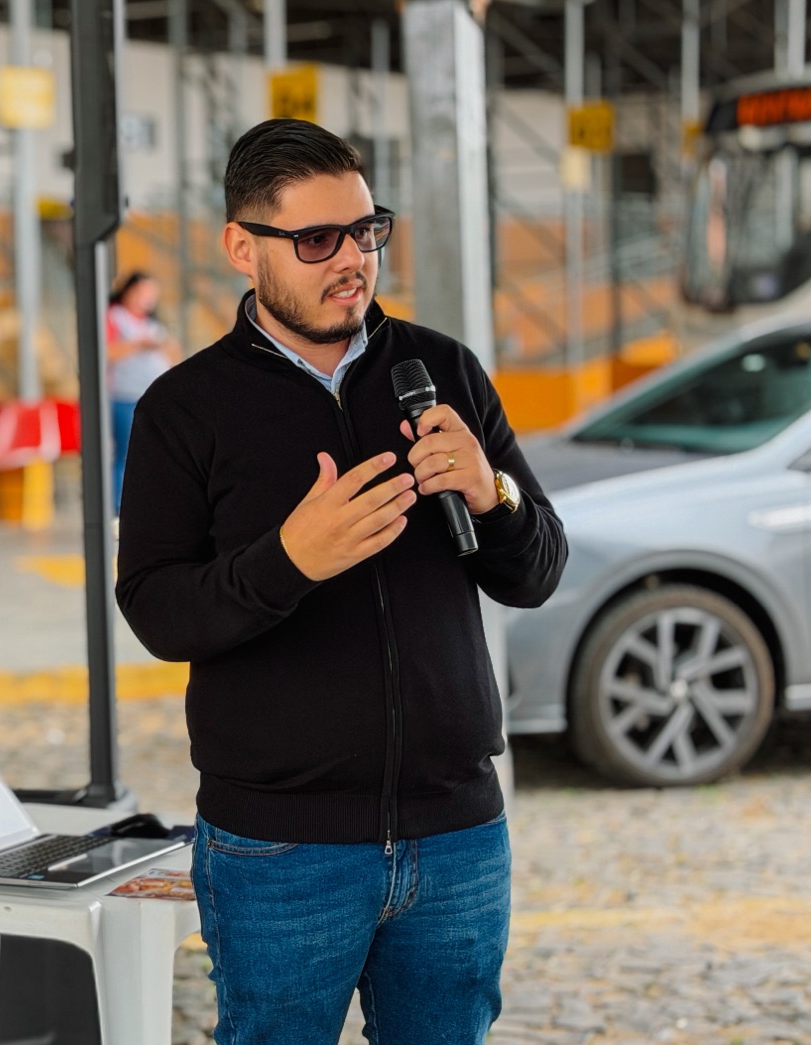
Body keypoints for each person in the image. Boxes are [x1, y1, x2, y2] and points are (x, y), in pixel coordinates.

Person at [114, 119, 567, 1044]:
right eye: (318, 238)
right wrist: (290, 559)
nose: (354, 258)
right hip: (281, 850)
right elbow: (158, 609)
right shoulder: (183, 409)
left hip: (457, 834)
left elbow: (537, 571)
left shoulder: (443, 370)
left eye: (366, 230)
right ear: (243, 247)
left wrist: (492, 494)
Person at [104, 270, 178, 508]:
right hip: (125, 396)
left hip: (152, 397)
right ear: (127, 291)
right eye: (141, 292)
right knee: (126, 455)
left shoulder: (152, 324)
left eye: (150, 294)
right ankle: (119, 508)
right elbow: (106, 352)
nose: (146, 299)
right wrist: (138, 345)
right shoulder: (114, 317)